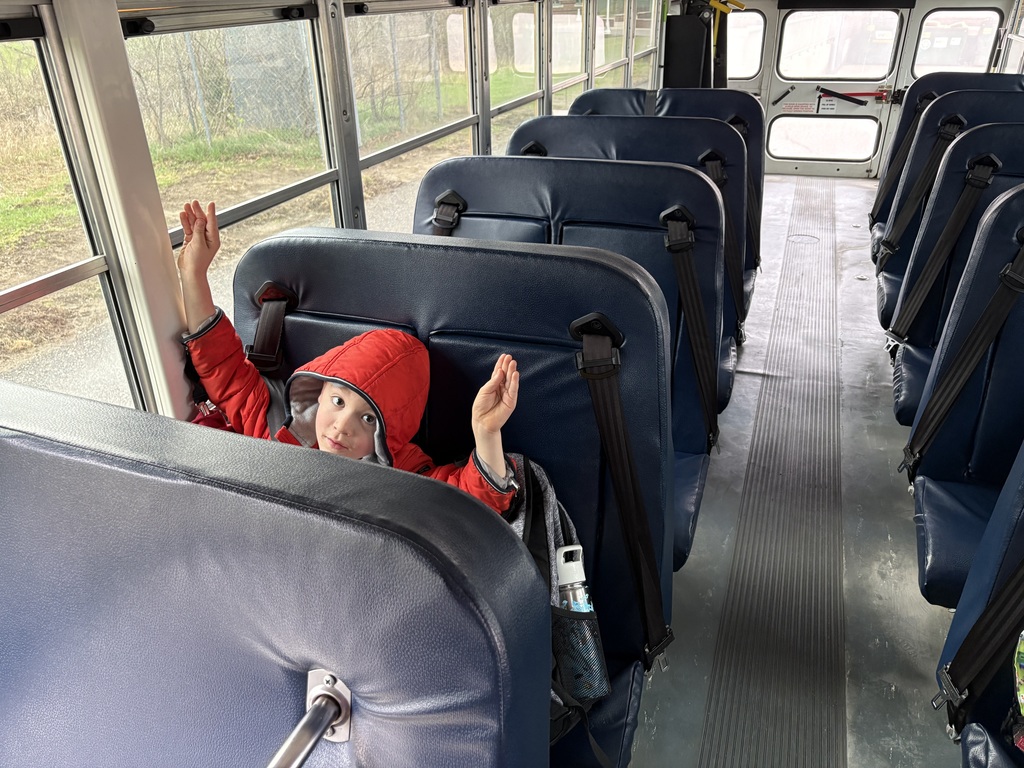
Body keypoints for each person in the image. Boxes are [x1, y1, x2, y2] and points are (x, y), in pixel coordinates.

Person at [175, 199, 520, 514]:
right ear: (317, 391)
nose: (342, 427)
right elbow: (224, 368)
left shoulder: (406, 477)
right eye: (338, 401)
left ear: (388, 434)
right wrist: (193, 275)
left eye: (368, 420)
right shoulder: (275, 427)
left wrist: (486, 434)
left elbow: (468, 507)